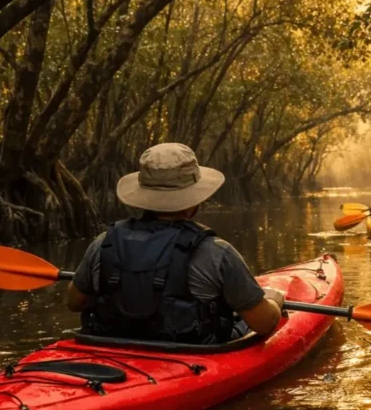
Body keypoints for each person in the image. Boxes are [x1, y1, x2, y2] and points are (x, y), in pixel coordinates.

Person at [66, 143, 284, 343]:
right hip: (191, 357)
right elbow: (264, 323)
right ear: (195, 201)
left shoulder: (103, 243)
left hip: (112, 349)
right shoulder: (217, 253)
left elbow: (74, 302)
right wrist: (274, 301)